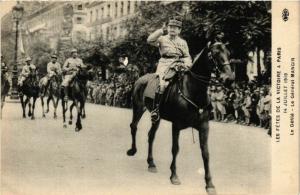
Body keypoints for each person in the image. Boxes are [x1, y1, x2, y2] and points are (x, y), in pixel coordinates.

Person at [147, 16, 192, 121]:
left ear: (179, 30)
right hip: (165, 65)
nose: (172, 29)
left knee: (188, 82)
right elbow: (149, 40)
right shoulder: (162, 39)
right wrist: (160, 31)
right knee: (163, 84)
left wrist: (187, 64)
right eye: (170, 27)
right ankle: (156, 109)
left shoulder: (183, 42)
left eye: (175, 28)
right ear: (167, 28)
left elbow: (187, 56)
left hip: (180, 64)